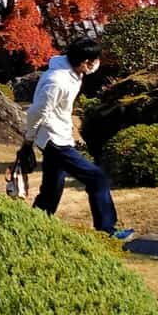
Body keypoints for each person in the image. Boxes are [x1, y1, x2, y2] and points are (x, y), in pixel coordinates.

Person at [25, 36, 134, 238]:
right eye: (94, 60)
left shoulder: (74, 71)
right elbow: (36, 112)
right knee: (97, 178)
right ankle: (107, 231)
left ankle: (31, 230)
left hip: (60, 137)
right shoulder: (56, 80)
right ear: (84, 62)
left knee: (51, 190)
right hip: (54, 140)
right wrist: (27, 142)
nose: (96, 65)